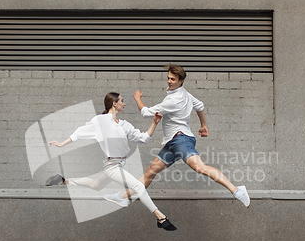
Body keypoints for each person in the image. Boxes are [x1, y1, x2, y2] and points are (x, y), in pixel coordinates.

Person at [104, 64, 251, 208]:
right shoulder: (184, 93)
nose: (169, 81)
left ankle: (237, 190)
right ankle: (123, 197)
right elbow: (200, 105)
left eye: (173, 79)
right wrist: (203, 126)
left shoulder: (173, 100)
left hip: (181, 140)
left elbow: (146, 113)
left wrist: (136, 97)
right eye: (168, 78)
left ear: (181, 81)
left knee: (200, 168)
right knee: (150, 172)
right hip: (173, 143)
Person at [46, 92, 177, 231]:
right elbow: (79, 133)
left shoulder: (125, 125)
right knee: (139, 186)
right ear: (114, 103)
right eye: (122, 100)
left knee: (94, 184)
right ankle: (160, 217)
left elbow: (143, 138)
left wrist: (154, 123)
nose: (124, 103)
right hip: (111, 166)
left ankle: (63, 180)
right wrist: (61, 144)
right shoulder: (100, 121)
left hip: (119, 164)